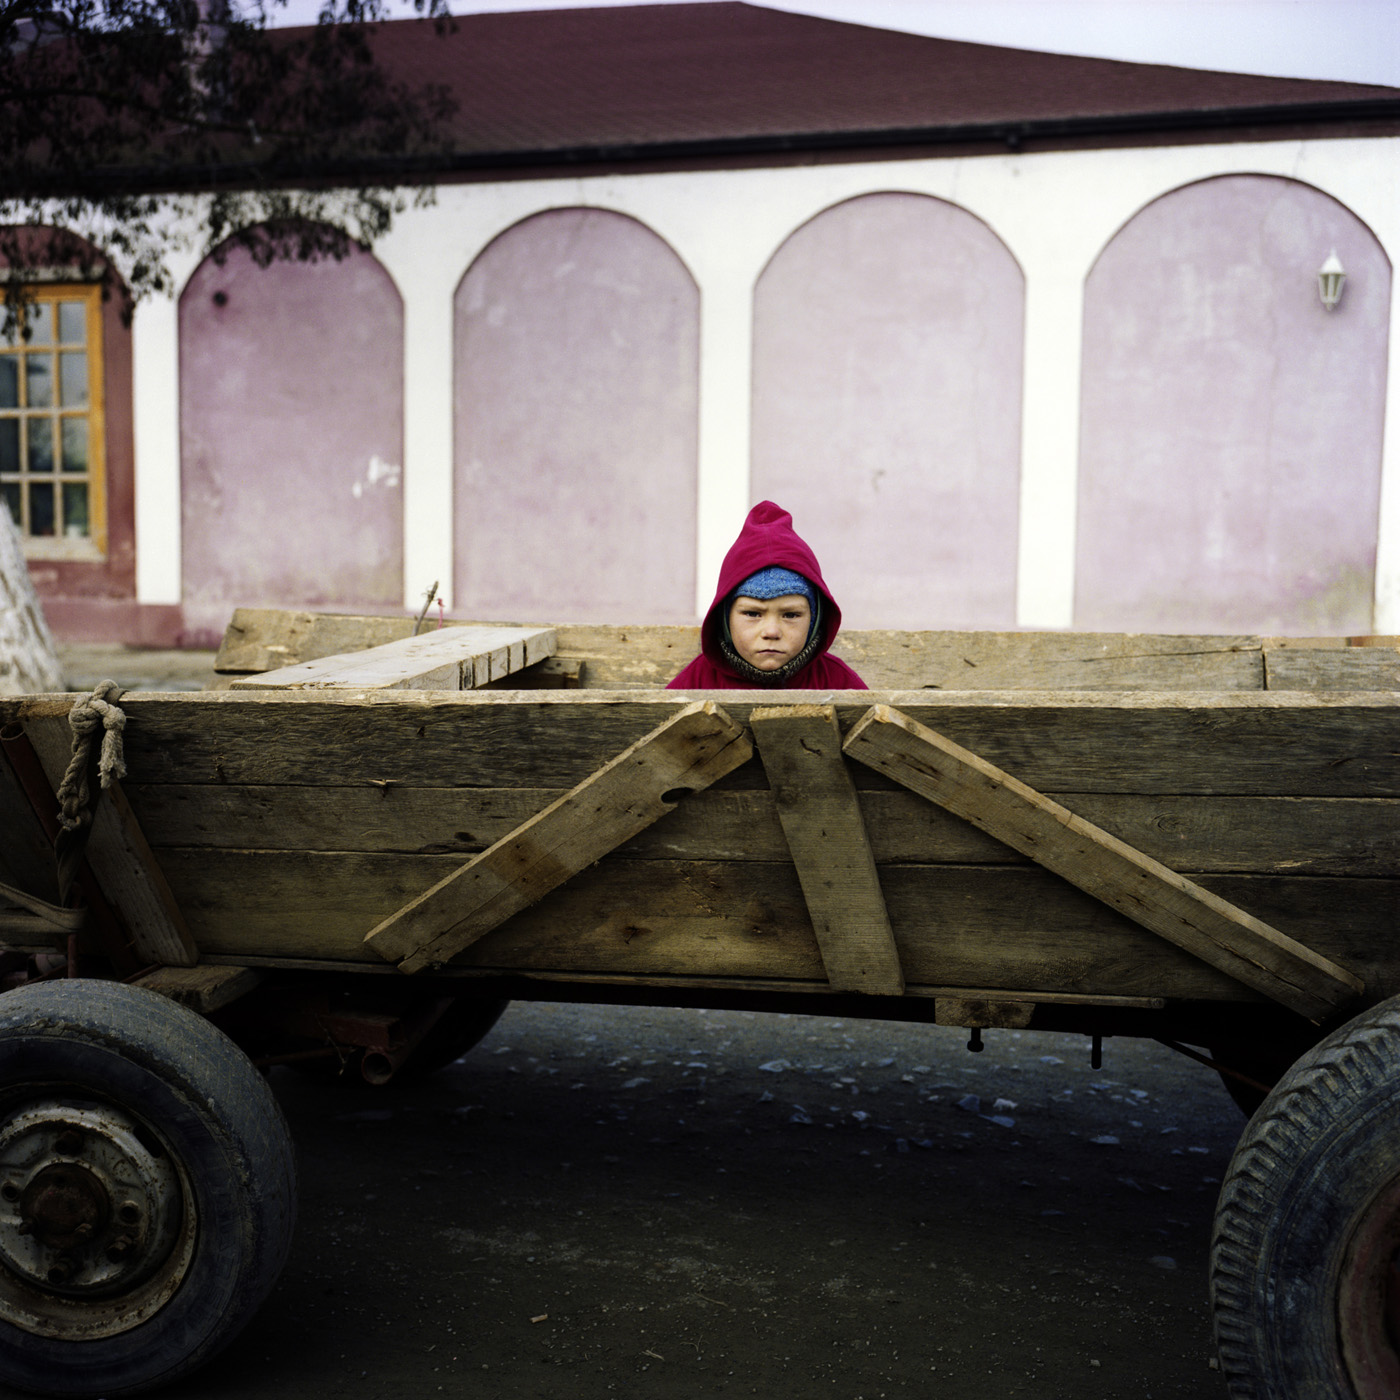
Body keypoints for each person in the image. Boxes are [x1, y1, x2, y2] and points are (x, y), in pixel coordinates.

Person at [668, 500, 867, 690]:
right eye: (753, 614)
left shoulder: (837, 680)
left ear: (814, 622)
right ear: (725, 618)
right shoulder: (698, 680)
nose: (771, 632)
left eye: (791, 615)